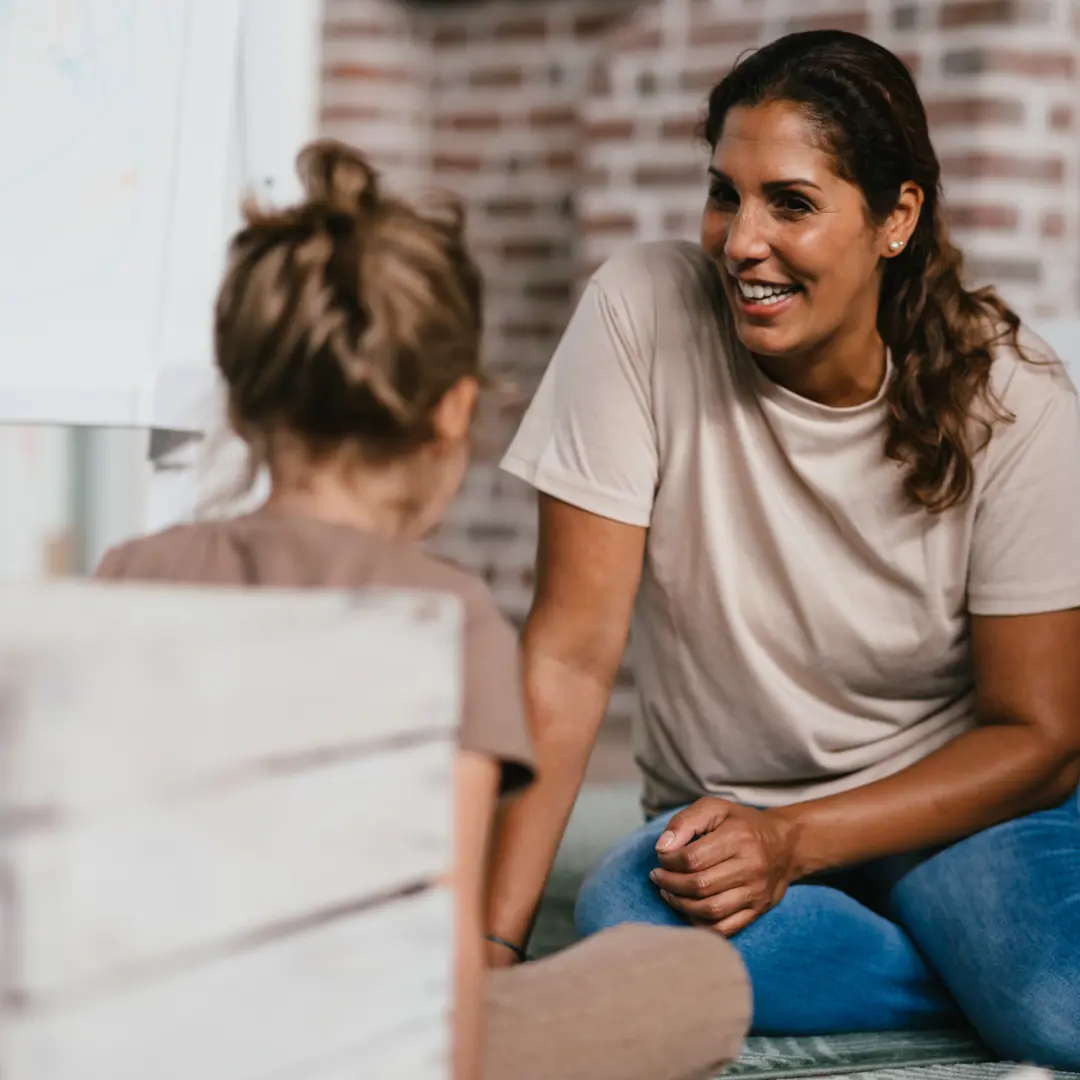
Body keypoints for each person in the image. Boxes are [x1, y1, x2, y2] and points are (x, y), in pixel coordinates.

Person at [93, 139, 750, 1080]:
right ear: (452, 410)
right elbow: (440, 963)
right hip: (358, 1039)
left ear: (239, 404)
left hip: (148, 1023)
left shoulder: (131, 572)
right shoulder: (444, 617)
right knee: (691, 976)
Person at [487, 29, 1080, 1070]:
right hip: (727, 817)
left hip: (956, 819)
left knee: (1063, 1009)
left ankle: (975, 957)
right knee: (627, 913)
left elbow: (1040, 737)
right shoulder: (643, 311)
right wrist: (489, 950)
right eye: (726, 193)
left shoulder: (1017, 402)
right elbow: (571, 656)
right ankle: (955, 970)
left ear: (897, 218)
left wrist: (799, 840)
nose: (739, 241)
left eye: (791, 203)